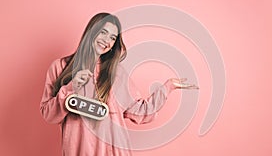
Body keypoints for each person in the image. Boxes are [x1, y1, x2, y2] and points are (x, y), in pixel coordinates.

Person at [40, 12, 198, 156]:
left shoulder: (117, 74)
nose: (107, 41)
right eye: (103, 32)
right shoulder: (60, 67)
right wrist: (71, 87)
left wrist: (168, 87)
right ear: (91, 32)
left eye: (112, 38)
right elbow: (48, 114)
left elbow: (140, 111)